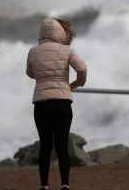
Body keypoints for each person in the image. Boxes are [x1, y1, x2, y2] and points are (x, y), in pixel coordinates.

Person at [26, 18, 88, 190]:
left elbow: (29, 72)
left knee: (45, 145)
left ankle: (44, 185)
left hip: (41, 104)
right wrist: (75, 84)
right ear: (59, 32)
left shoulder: (33, 51)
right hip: (62, 104)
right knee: (62, 145)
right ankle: (65, 185)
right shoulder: (67, 50)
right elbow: (82, 69)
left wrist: (43, 78)